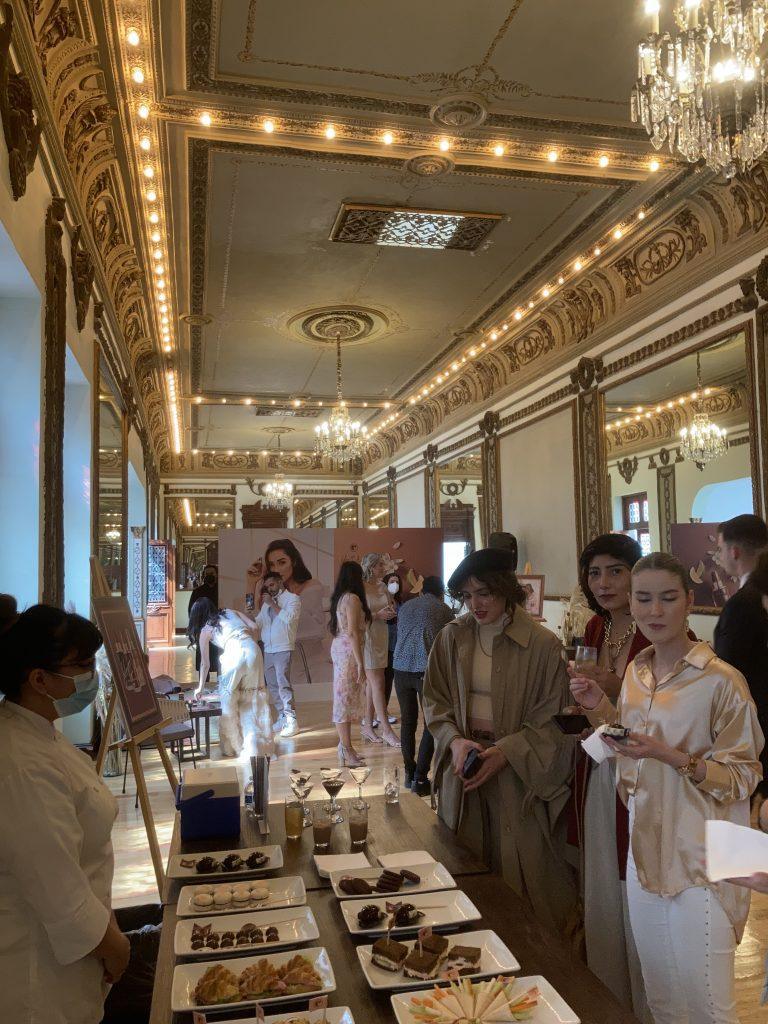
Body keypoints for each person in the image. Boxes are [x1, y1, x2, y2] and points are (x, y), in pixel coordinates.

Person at [570, 552, 764, 1024]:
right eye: (644, 599)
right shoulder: (637, 674)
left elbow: (744, 777)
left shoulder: (723, 682)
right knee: (662, 1001)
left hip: (706, 854)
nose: (654, 611)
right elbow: (629, 747)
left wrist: (671, 756)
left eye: (668, 598)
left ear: (689, 602)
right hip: (645, 848)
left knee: (709, 1008)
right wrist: (600, 710)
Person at [423, 548, 578, 934]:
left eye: (485, 593)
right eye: (466, 595)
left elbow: (553, 717)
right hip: (464, 766)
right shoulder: (452, 637)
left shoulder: (542, 644)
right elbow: (435, 700)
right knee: (463, 859)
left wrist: (507, 751)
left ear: (507, 590)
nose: (475, 604)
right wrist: (454, 741)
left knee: (522, 871)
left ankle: (526, 951)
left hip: (518, 773)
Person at [0, 596, 130, 1024]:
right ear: (39, 679)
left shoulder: (44, 736)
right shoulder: (20, 764)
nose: (93, 676)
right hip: (39, 977)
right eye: (83, 666)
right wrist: (116, 948)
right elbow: (58, 890)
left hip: (82, 956)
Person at [569, 533, 648, 1017]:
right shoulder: (595, 629)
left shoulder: (651, 631)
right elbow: (595, 704)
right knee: (601, 876)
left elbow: (658, 711)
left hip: (644, 771)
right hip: (602, 762)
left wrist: (612, 689)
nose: (604, 582)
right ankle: (607, 996)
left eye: (616, 570)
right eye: (595, 573)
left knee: (633, 879)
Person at [714, 513, 768, 798]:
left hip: (758, 720)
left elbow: (728, 671)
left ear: (734, 551)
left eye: (720, 549)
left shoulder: (743, 604)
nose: (720, 556)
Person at [393, 575, 454, 795]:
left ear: (421, 591)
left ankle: (409, 774)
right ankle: (420, 778)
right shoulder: (444, 610)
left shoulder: (406, 607)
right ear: (441, 593)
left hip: (400, 669)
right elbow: (450, 641)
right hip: (424, 671)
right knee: (430, 722)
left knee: (408, 721)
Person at [192, 602, 273, 759]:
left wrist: (200, 688)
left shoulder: (206, 629)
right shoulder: (231, 611)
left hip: (233, 653)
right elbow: (254, 627)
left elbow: (204, 664)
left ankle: (234, 747)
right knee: (254, 699)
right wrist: (252, 642)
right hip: (253, 650)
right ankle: (258, 746)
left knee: (228, 702)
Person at [251, 540, 329, 688]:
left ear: (293, 561)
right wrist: (251, 584)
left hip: (311, 664)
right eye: (272, 565)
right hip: (282, 661)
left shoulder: (312, 586)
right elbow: (255, 620)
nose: (277, 569)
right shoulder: (274, 594)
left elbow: (292, 621)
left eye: (282, 562)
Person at [328, 561, 371, 767]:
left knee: (344, 696)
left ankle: (346, 747)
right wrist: (361, 662)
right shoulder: (352, 598)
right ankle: (346, 749)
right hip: (348, 651)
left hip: (342, 648)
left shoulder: (341, 597)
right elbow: (353, 632)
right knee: (343, 699)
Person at [255, 571, 301, 738]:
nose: (270, 589)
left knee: (283, 684)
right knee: (273, 685)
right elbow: (259, 623)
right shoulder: (266, 604)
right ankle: (282, 716)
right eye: (267, 587)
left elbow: (289, 619)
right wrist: (251, 612)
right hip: (268, 649)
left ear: (281, 582)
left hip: (283, 647)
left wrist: (272, 604)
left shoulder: (292, 599)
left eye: (272, 585)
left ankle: (291, 720)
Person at [361, 553, 399, 748]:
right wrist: (377, 615)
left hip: (382, 636)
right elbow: (357, 616)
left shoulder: (383, 586)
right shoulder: (359, 587)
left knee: (372, 684)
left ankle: (368, 726)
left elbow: (390, 605)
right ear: (370, 567)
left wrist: (391, 608)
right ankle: (386, 730)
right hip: (368, 637)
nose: (384, 568)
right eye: (380, 565)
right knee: (378, 683)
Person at [376, 570, 401, 728]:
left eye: (397, 582)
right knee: (377, 681)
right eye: (392, 581)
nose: (395, 584)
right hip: (380, 645)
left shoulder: (399, 603)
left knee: (388, 679)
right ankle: (373, 714)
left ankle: (383, 711)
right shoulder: (380, 601)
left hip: (394, 647)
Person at [187, 564, 220, 679]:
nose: (209, 575)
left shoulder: (222, 590)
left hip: (219, 629)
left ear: (216, 575)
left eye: (212, 573)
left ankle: (221, 684)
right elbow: (192, 610)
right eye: (207, 574)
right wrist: (195, 628)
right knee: (203, 659)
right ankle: (204, 685)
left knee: (220, 660)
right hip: (202, 629)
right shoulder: (198, 591)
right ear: (203, 576)